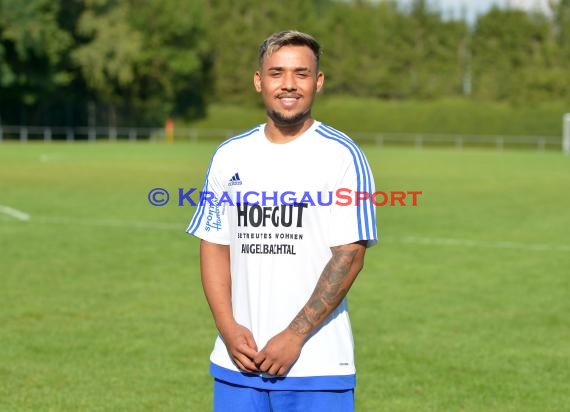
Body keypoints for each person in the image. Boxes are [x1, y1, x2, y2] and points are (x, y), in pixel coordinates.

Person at [187, 30, 377, 412]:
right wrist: (228, 328)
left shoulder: (342, 156)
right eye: (276, 73)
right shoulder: (229, 155)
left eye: (301, 74)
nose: (288, 84)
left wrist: (294, 336)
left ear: (318, 82)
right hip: (237, 365)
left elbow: (349, 255)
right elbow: (213, 245)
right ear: (259, 81)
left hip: (316, 367)